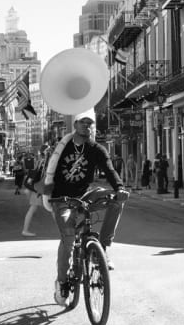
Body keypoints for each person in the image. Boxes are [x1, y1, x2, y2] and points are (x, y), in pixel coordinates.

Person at [41, 109, 129, 307]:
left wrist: (121, 188)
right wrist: (48, 195)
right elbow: (49, 171)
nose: (87, 126)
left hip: (84, 196)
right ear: (75, 125)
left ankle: (104, 247)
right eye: (83, 122)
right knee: (69, 239)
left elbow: (109, 169)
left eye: (90, 123)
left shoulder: (96, 149)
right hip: (61, 199)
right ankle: (62, 282)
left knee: (117, 200)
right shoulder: (62, 148)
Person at [21, 147, 50, 237]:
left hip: (36, 189)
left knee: (34, 208)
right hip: (37, 190)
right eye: (48, 151)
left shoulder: (40, 161)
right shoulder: (42, 162)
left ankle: (25, 230)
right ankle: (25, 230)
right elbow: (37, 176)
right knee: (33, 208)